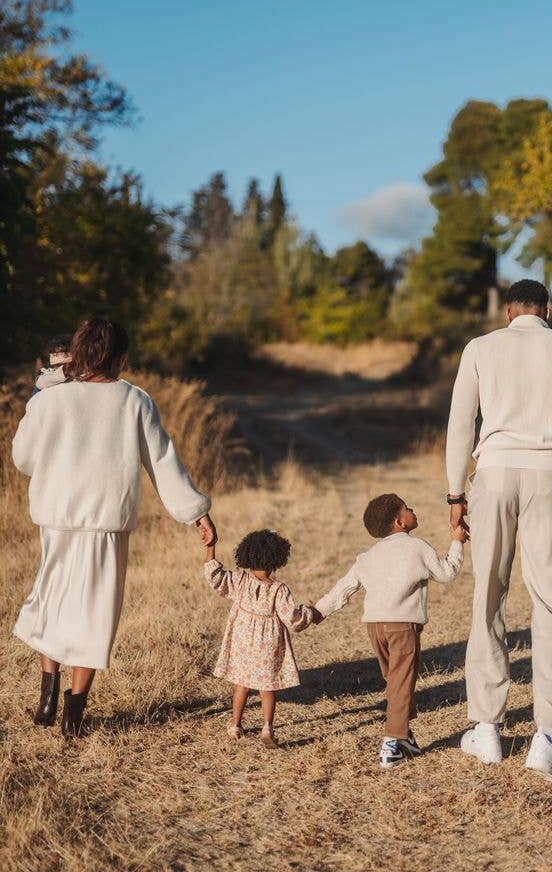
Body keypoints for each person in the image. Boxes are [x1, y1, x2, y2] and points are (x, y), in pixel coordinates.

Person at [12, 317, 216, 736]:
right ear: (121, 357)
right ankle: (73, 715)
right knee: (95, 614)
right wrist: (196, 511)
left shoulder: (49, 400)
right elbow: (162, 462)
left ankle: (47, 698)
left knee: (49, 603)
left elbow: (23, 459)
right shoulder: (134, 400)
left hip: (58, 520)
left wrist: (42, 398)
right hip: (106, 525)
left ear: (78, 353)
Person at [446, 278, 552, 786]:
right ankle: (546, 737)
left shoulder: (480, 348)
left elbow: (460, 424)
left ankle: (487, 728)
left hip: (491, 477)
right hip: (548, 479)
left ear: (508, 313)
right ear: (549, 310)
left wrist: (456, 494)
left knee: (488, 599)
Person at [315, 493, 467, 769]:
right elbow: (447, 573)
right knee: (401, 682)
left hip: (375, 627)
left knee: (395, 682)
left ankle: (405, 736)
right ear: (400, 522)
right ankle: (390, 743)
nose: (413, 510)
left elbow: (345, 587)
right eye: (408, 509)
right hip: (402, 626)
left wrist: (320, 610)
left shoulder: (368, 556)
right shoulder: (417, 547)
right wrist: (457, 542)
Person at [204, 528, 320, 745]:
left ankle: (235, 726)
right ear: (277, 559)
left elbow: (215, 576)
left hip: (241, 641)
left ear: (247, 554)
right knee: (267, 687)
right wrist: (310, 614)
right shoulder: (279, 589)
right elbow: (293, 619)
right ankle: (267, 729)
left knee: (242, 685)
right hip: (267, 644)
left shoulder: (239, 581)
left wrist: (210, 548)